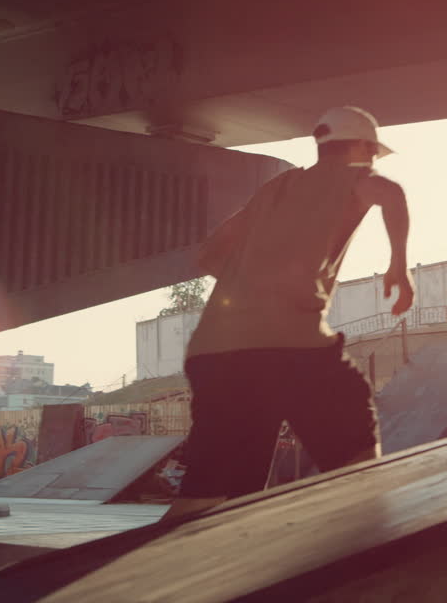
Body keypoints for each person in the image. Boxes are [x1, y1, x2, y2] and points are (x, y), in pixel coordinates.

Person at [160, 105, 414, 524]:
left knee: (215, 490)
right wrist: (398, 267)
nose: (370, 161)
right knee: (353, 431)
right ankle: (367, 536)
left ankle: (151, 568)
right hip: (291, 346)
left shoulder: (275, 189)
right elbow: (391, 194)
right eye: (370, 153)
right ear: (358, 147)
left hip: (213, 352)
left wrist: (252, 284)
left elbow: (208, 254)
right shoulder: (351, 175)